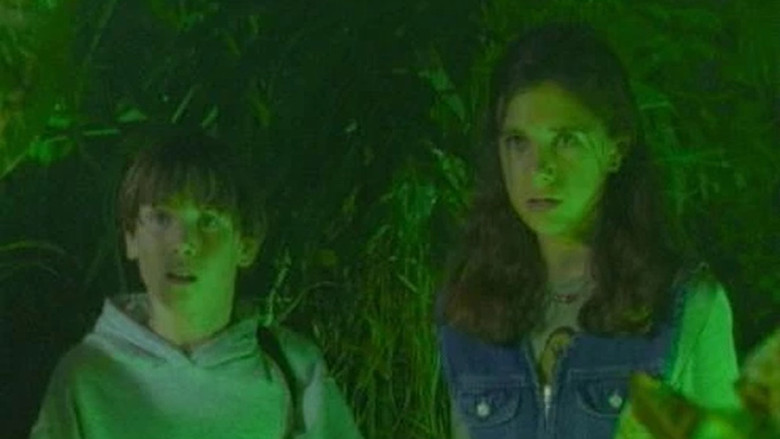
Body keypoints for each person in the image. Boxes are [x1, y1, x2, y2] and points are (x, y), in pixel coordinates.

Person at [435, 23, 740, 439]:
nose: (539, 170)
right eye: (518, 142)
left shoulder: (683, 307)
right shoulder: (469, 307)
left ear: (616, 147)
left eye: (565, 140)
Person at [29, 128, 363, 439]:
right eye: (162, 218)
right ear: (131, 237)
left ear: (245, 244)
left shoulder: (293, 369)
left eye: (208, 220)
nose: (183, 242)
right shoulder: (84, 377)